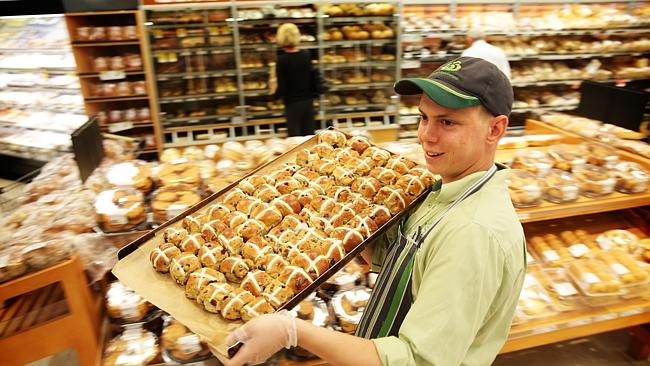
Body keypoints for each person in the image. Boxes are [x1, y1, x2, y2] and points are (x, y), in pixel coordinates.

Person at [216, 57, 526, 366]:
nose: (427, 136)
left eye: (447, 122)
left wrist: (291, 331)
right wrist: (331, 216)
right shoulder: (440, 192)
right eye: (423, 117)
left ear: (495, 129)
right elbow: (397, 264)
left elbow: (415, 361)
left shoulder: (473, 233)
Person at [273, 23, 317, 137]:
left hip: (292, 103)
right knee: (309, 137)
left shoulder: (282, 61)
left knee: (295, 139)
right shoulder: (306, 55)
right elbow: (311, 78)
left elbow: (282, 87)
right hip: (308, 101)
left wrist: (272, 98)